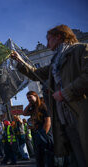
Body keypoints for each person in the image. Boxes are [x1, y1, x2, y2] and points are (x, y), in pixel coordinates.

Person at [11, 24, 88, 166]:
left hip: (80, 112)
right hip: (63, 117)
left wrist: (66, 92)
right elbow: (36, 73)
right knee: (75, 157)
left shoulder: (81, 49)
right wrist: (20, 61)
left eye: (49, 39)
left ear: (59, 37)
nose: (47, 44)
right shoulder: (55, 62)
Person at [23, 91, 54, 167]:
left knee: (48, 154)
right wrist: (30, 104)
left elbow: (48, 121)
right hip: (36, 132)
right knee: (39, 155)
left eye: (30, 97)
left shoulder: (43, 106)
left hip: (44, 132)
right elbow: (24, 113)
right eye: (27, 98)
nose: (29, 99)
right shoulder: (33, 107)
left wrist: (44, 133)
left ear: (35, 96)